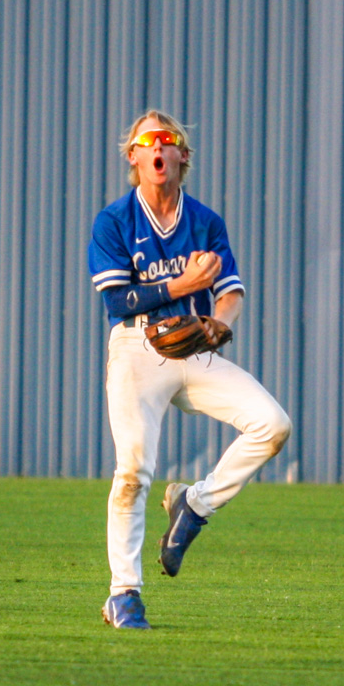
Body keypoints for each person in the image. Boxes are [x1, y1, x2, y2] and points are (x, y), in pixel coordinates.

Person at [87, 109, 292, 629]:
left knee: (273, 425)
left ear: (182, 154)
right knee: (133, 471)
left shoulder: (204, 221)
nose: (158, 146)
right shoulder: (115, 221)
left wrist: (221, 324)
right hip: (137, 347)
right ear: (134, 157)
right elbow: (117, 300)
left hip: (194, 344)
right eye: (147, 141)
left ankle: (194, 505)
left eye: (168, 138)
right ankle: (124, 594)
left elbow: (231, 292)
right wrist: (182, 286)